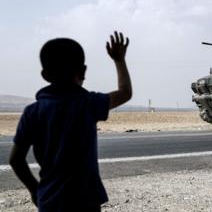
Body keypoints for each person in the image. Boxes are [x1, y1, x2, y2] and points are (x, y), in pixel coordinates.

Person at [8, 31, 132, 212]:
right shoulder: (88, 103)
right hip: (86, 200)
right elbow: (125, 92)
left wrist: (35, 190)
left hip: (50, 200)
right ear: (82, 72)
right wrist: (119, 60)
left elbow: (15, 160)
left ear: (45, 74)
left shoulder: (32, 112)